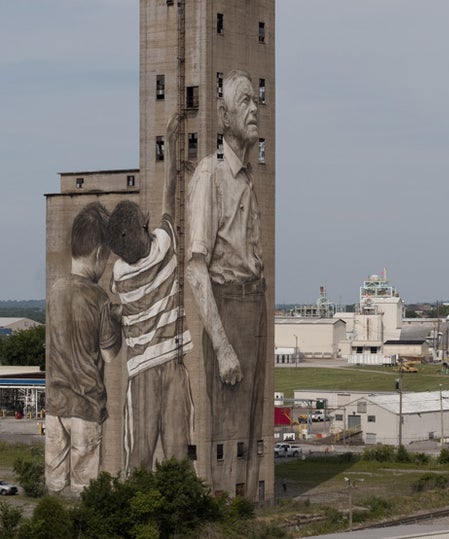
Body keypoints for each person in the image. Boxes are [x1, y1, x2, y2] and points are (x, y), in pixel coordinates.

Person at [186, 69, 266, 496]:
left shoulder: (247, 178)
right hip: (228, 308)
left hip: (254, 305)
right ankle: (222, 514)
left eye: (256, 101)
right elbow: (195, 267)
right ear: (223, 114)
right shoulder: (209, 176)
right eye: (245, 102)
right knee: (227, 433)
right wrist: (221, 343)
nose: (254, 110)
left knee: (252, 432)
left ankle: (247, 514)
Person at [108, 114, 193, 473]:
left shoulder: (119, 276)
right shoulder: (166, 247)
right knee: (181, 458)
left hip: (141, 374)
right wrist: (172, 148)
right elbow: (168, 197)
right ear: (145, 225)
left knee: (136, 461)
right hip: (173, 368)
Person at [45, 202, 121, 496]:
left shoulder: (55, 291)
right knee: (84, 491)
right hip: (86, 408)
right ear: (100, 254)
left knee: (54, 484)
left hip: (55, 405)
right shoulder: (99, 298)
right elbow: (109, 354)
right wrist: (118, 323)